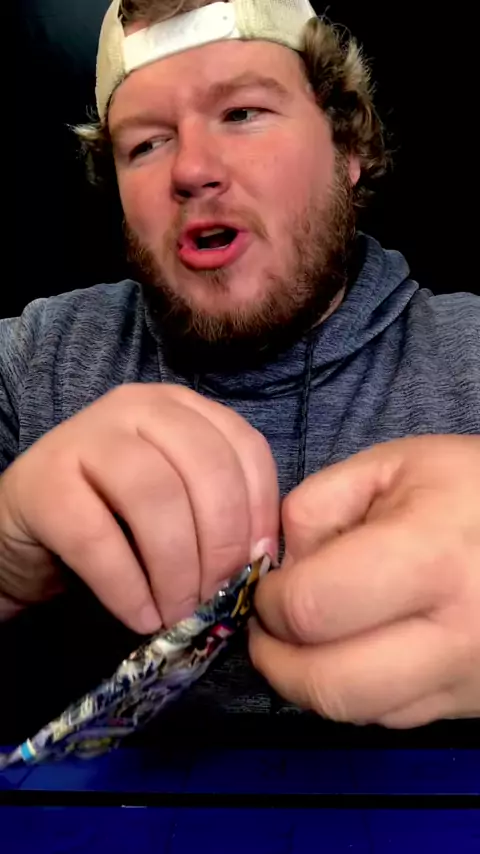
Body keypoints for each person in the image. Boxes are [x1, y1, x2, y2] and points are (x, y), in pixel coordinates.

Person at [1, 0, 479, 732]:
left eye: (242, 113)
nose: (191, 169)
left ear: (348, 149)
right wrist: (6, 550)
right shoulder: (40, 360)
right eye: (146, 144)